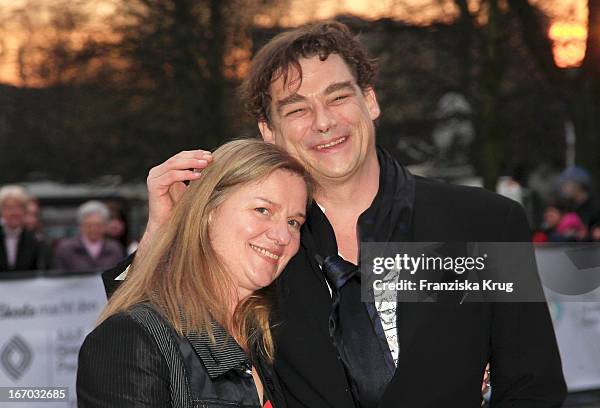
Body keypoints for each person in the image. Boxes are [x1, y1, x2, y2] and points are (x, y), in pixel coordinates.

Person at [104, 21, 566, 407]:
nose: (323, 121)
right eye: (297, 108)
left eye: (338, 97)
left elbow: (533, 386)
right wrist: (164, 231)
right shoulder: (261, 244)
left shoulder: (484, 223)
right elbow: (145, 343)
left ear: (370, 101)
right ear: (269, 132)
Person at [78, 140, 312, 407]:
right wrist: (161, 230)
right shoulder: (132, 342)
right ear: (209, 210)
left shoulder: (268, 335)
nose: (282, 236)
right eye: (263, 210)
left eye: (294, 222)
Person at [53, 200, 125, 271]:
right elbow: (59, 276)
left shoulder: (115, 248)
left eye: (98, 225)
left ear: (105, 226)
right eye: (89, 225)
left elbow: (122, 275)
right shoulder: (65, 248)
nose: (93, 229)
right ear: (81, 226)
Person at [0, 185, 49, 272]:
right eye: (10, 208)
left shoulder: (35, 240)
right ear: (1, 210)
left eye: (19, 207)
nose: (15, 212)